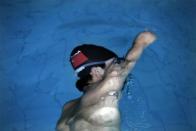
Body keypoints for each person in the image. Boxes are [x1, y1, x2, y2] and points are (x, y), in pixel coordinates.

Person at [56, 31, 156, 131]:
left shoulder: (68, 107)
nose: (117, 66)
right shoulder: (109, 84)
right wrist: (141, 41)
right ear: (96, 71)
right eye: (114, 63)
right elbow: (129, 61)